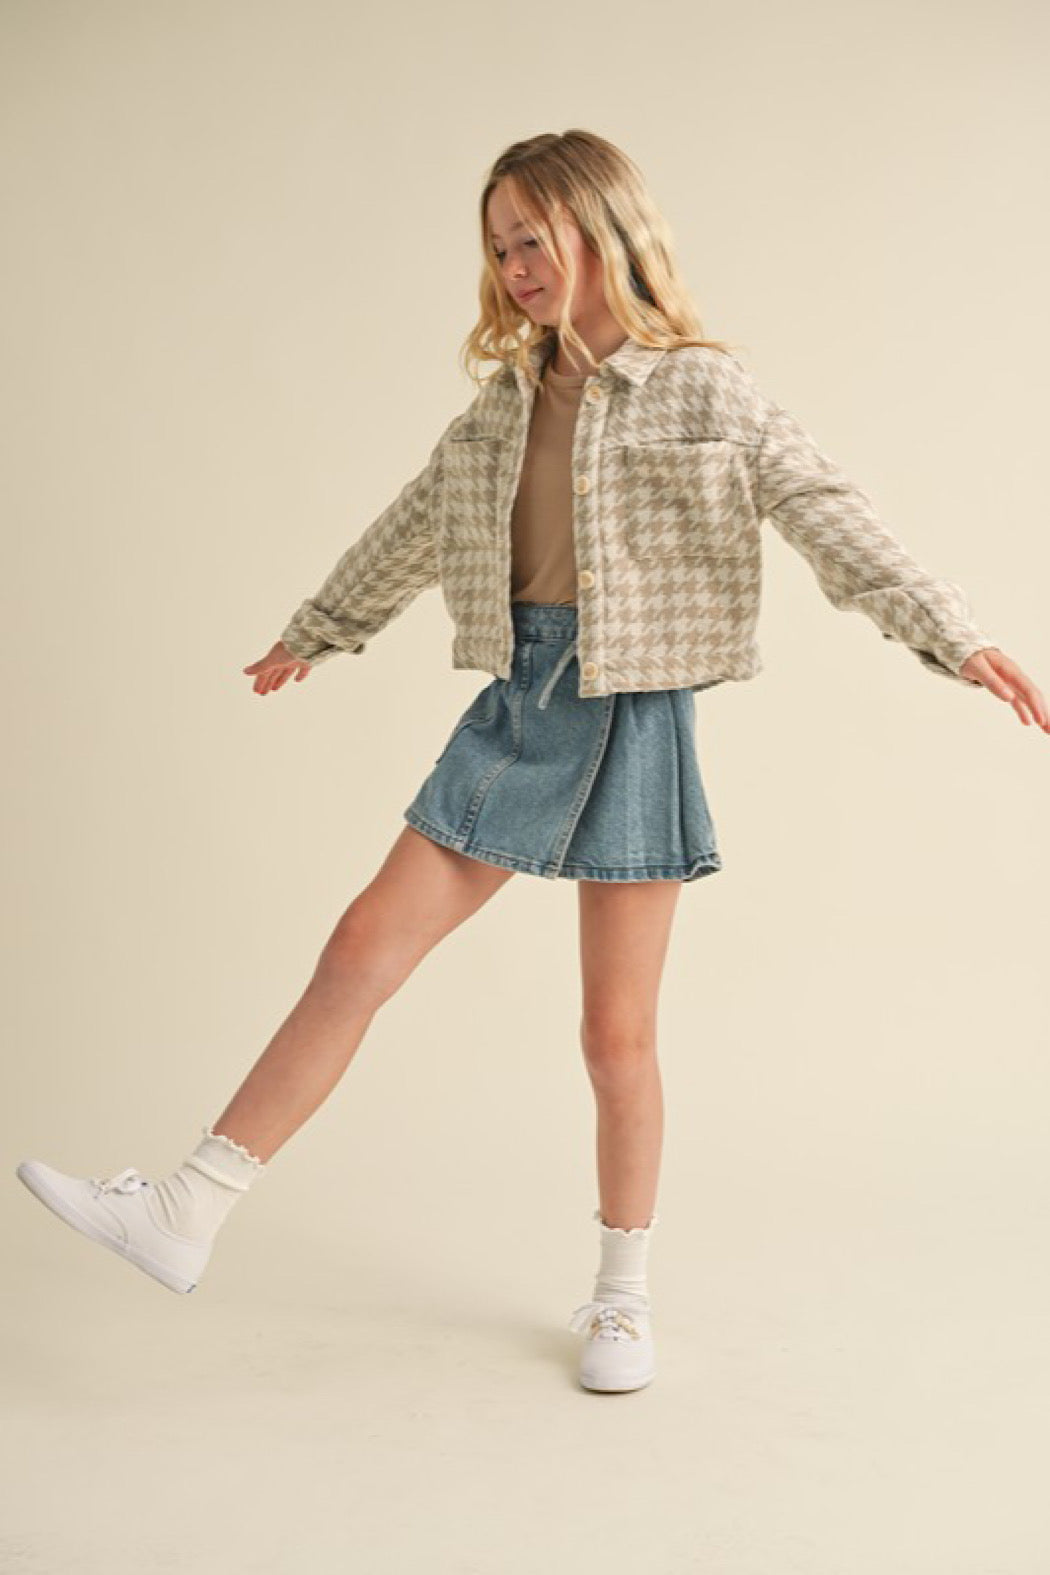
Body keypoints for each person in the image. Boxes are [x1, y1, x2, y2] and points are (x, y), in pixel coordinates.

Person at [16, 130, 1047, 1397]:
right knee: (360, 948)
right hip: (521, 701)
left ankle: (622, 1296)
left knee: (616, 1035)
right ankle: (188, 1207)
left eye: (532, 238)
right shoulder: (505, 403)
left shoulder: (704, 390)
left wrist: (955, 636)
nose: (513, 266)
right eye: (498, 247)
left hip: (635, 711)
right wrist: (315, 631)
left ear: (604, 230)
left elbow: (826, 511)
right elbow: (412, 525)